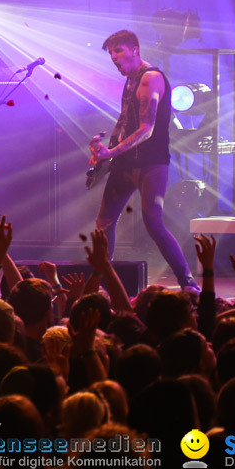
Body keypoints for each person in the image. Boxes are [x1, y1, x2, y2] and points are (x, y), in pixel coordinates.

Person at [89, 30, 199, 293]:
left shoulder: (151, 79)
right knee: (103, 224)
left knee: (153, 222)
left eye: (118, 51)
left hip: (151, 164)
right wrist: (103, 150)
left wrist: (111, 153)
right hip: (125, 163)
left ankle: (188, 282)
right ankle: (101, 284)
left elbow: (146, 128)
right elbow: (127, 121)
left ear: (135, 49)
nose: (114, 58)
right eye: (112, 54)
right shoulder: (130, 79)